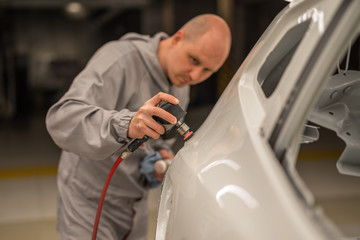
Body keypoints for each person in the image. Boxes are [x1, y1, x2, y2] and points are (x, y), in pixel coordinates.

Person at [46, 13, 231, 240]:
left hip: (135, 203)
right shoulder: (119, 59)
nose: (195, 75)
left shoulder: (180, 82)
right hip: (90, 202)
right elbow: (61, 119)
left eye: (207, 71)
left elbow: (157, 138)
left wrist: (161, 154)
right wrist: (127, 125)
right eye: (194, 60)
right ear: (177, 39)